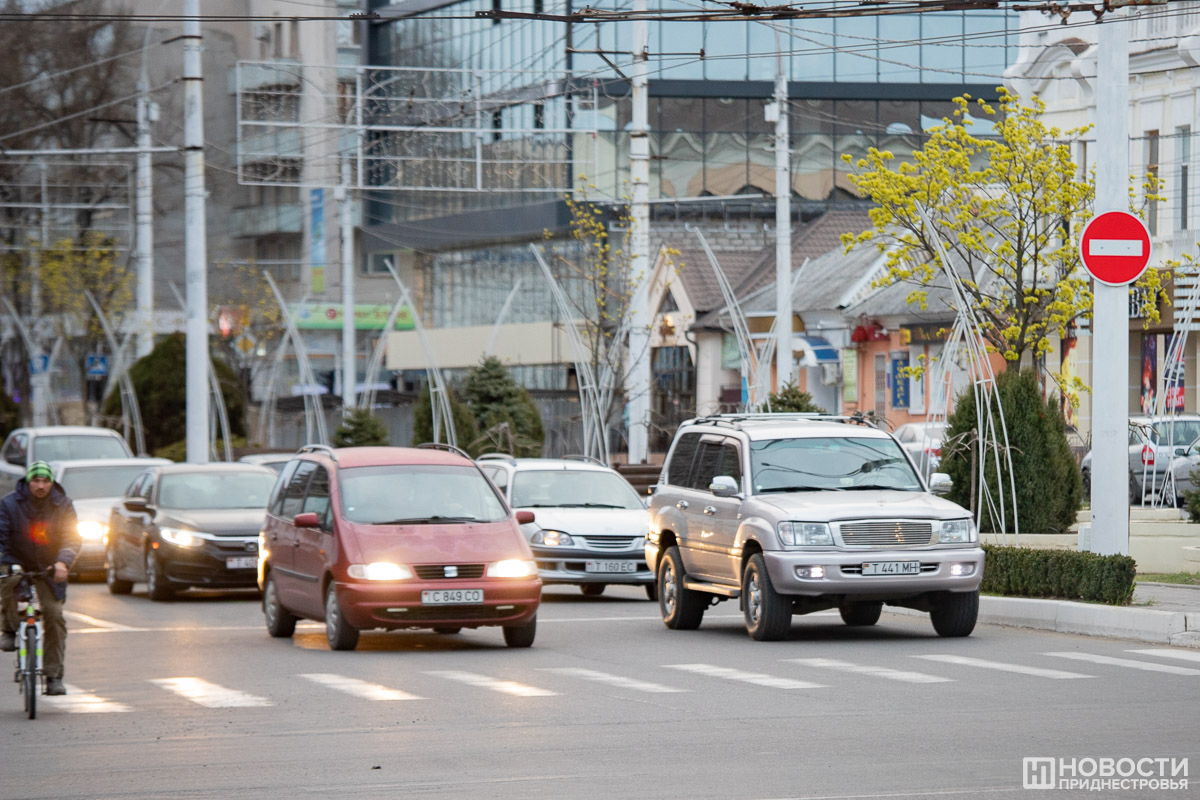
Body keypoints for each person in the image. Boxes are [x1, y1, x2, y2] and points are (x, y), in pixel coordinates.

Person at [0, 460, 80, 696]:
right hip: (17, 561)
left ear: (52, 483)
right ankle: (9, 629)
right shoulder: (9, 504)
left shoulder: (63, 505)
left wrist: (63, 562)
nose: (41, 485)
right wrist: (6, 560)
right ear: (27, 482)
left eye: (45, 481)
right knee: (7, 584)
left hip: (50, 566)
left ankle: (54, 676)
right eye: (36, 480)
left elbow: (72, 537)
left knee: (54, 616)